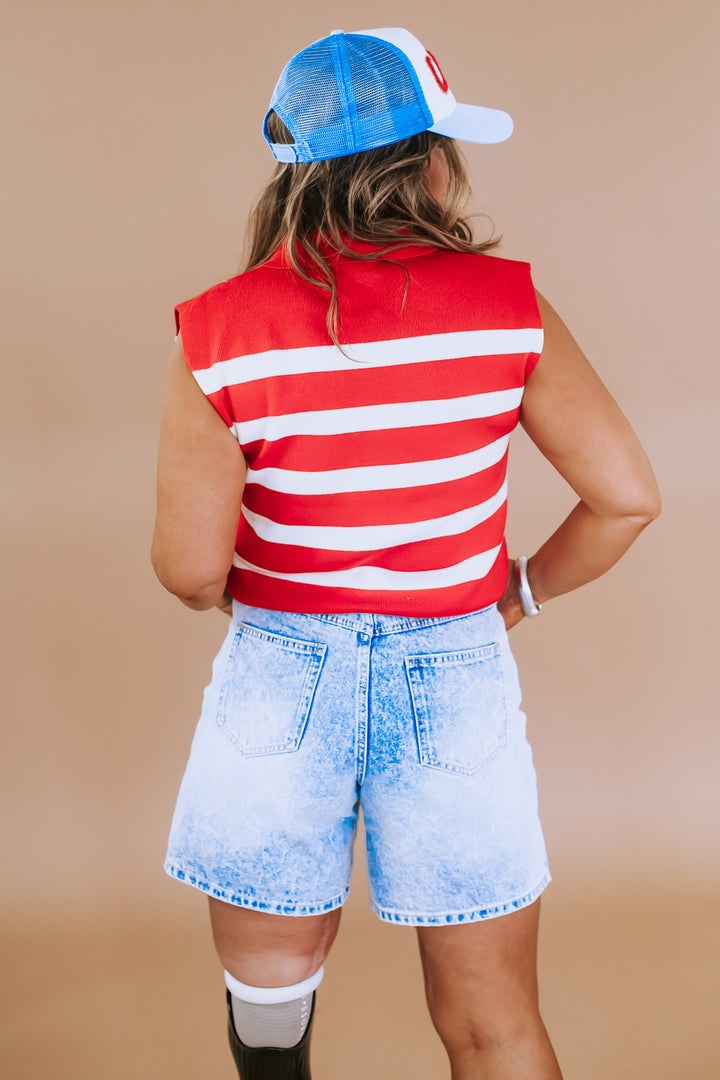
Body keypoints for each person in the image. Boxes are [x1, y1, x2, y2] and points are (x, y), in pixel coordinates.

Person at [151, 27, 661, 1080]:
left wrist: (296, 603)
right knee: (493, 1024)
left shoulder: (216, 331)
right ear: (432, 162)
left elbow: (192, 571)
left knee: (272, 1007)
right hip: (454, 665)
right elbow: (625, 497)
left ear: (292, 165)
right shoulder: (507, 310)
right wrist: (514, 591)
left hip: (279, 677)